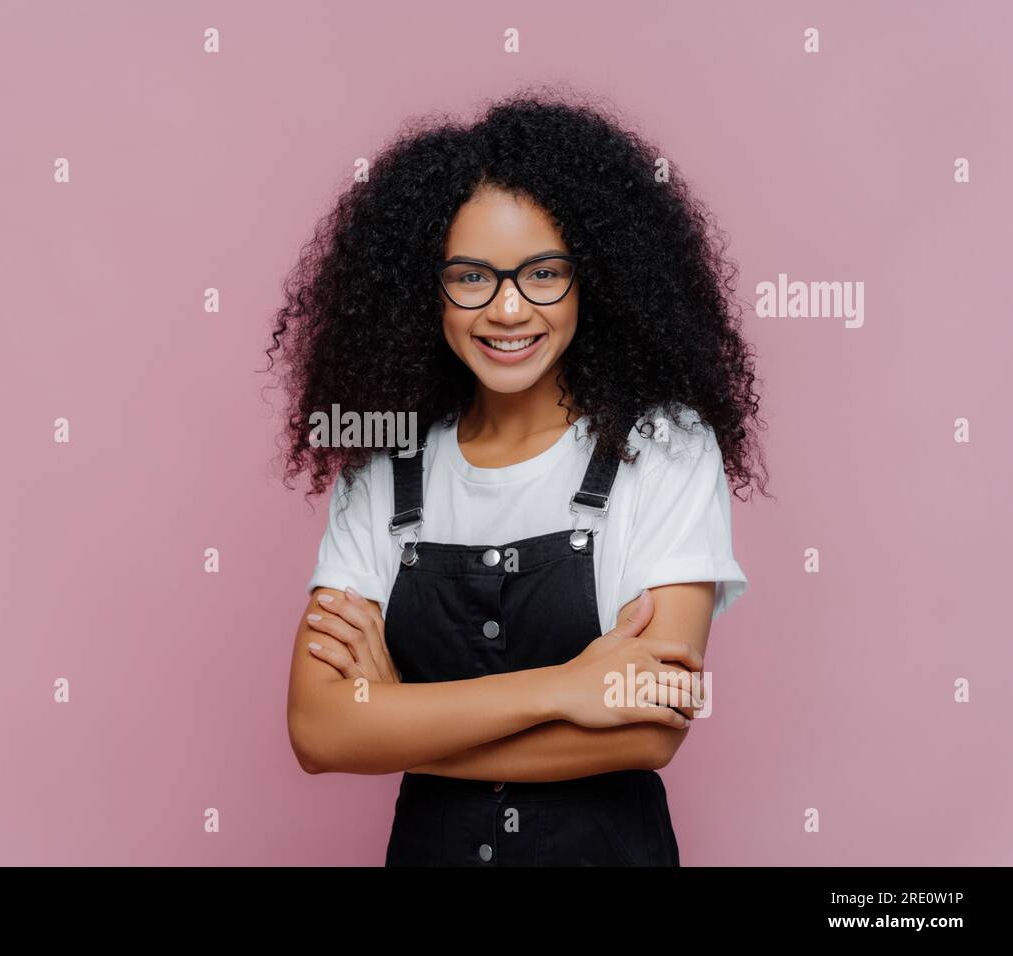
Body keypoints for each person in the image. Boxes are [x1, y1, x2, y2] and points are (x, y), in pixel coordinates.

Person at [270, 88, 768, 866]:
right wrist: (563, 690)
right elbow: (317, 731)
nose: (507, 309)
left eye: (542, 273)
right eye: (471, 277)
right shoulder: (382, 463)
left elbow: (651, 726)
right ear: (424, 288)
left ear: (593, 279)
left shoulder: (665, 448)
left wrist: (397, 718)